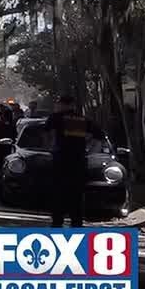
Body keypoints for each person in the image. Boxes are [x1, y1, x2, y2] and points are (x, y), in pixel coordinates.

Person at [47, 94, 96, 228]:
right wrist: (86, 146)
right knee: (77, 195)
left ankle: (57, 223)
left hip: (61, 162)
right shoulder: (84, 119)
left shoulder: (56, 117)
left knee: (58, 194)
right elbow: (98, 134)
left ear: (62, 104)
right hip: (78, 162)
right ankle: (76, 224)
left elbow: (46, 130)